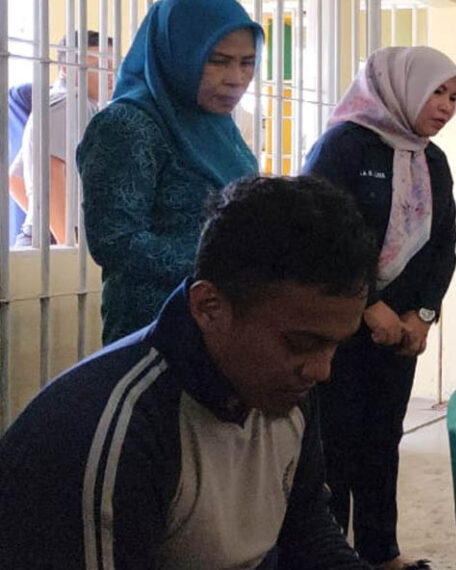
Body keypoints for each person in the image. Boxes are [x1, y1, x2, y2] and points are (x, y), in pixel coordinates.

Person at [0, 175, 381, 569]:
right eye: (301, 343)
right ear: (209, 306)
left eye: (336, 344)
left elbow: (306, 530)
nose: (322, 370)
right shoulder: (108, 432)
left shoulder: (284, 384)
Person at [302, 46, 456, 570]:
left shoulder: (431, 158)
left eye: (452, 96)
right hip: (339, 327)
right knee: (333, 447)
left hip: (400, 335)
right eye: (436, 92)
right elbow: (319, 235)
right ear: (401, 87)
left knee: (381, 443)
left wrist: (423, 315)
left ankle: (380, 552)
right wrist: (367, 306)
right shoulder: (344, 146)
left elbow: (444, 245)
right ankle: (328, 555)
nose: (444, 106)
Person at [78, 0, 261, 345]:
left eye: (247, 62)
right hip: (156, 329)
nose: (236, 79)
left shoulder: (218, 127)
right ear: (177, 53)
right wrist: (229, 267)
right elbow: (116, 242)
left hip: (225, 322)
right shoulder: (127, 125)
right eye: (217, 60)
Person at [9, 31, 113, 247]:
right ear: (67, 68)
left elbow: (15, 179)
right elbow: (50, 172)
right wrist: (69, 243)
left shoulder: (59, 103)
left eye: (114, 65)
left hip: (46, 239)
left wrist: (45, 223)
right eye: (100, 64)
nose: (111, 74)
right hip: (58, 243)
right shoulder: (72, 103)